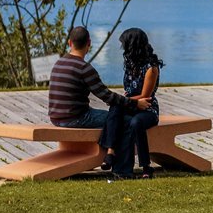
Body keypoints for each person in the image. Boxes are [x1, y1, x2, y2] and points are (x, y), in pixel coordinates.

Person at [48, 26, 150, 156]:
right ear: (89, 43)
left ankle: (107, 152)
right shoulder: (84, 68)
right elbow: (107, 97)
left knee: (113, 117)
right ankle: (111, 157)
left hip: (55, 118)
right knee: (121, 120)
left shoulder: (58, 63)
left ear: (70, 43)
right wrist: (135, 103)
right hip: (76, 118)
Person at [106, 27, 164, 179]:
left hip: (147, 108)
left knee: (136, 122)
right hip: (132, 105)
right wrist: (125, 100)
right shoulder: (130, 64)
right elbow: (129, 91)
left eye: (125, 45)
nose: (123, 48)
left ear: (133, 45)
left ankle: (146, 166)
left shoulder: (151, 68)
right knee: (115, 107)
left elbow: (145, 96)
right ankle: (110, 152)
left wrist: (125, 100)